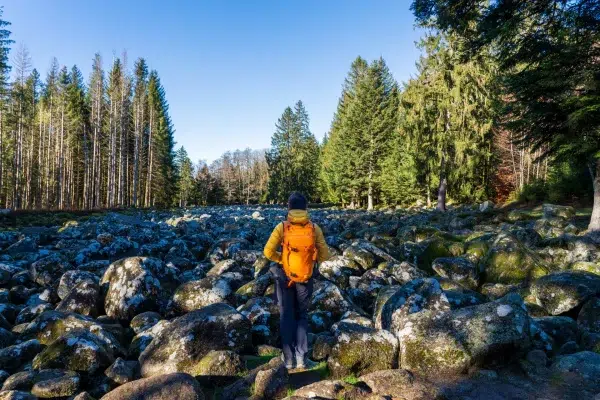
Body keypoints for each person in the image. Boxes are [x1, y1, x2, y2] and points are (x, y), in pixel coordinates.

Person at [263, 192, 329, 370]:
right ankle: (301, 359)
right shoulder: (314, 228)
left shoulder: (282, 227)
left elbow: (267, 252)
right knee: (302, 316)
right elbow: (325, 254)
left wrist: (282, 259)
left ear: (289, 207)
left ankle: (289, 359)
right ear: (306, 208)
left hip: (285, 277)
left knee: (286, 316)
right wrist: (311, 261)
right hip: (305, 279)